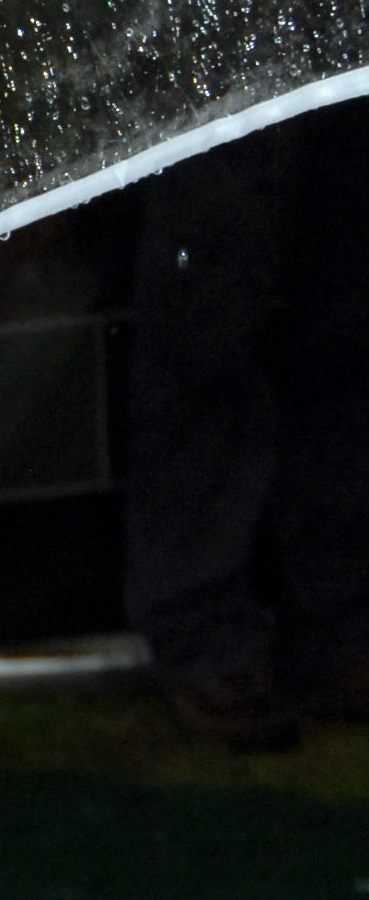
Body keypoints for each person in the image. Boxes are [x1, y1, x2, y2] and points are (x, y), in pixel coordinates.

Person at [124, 110, 369, 753]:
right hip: (230, 30)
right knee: (208, 304)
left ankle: (340, 622)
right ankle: (202, 634)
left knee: (353, 302)